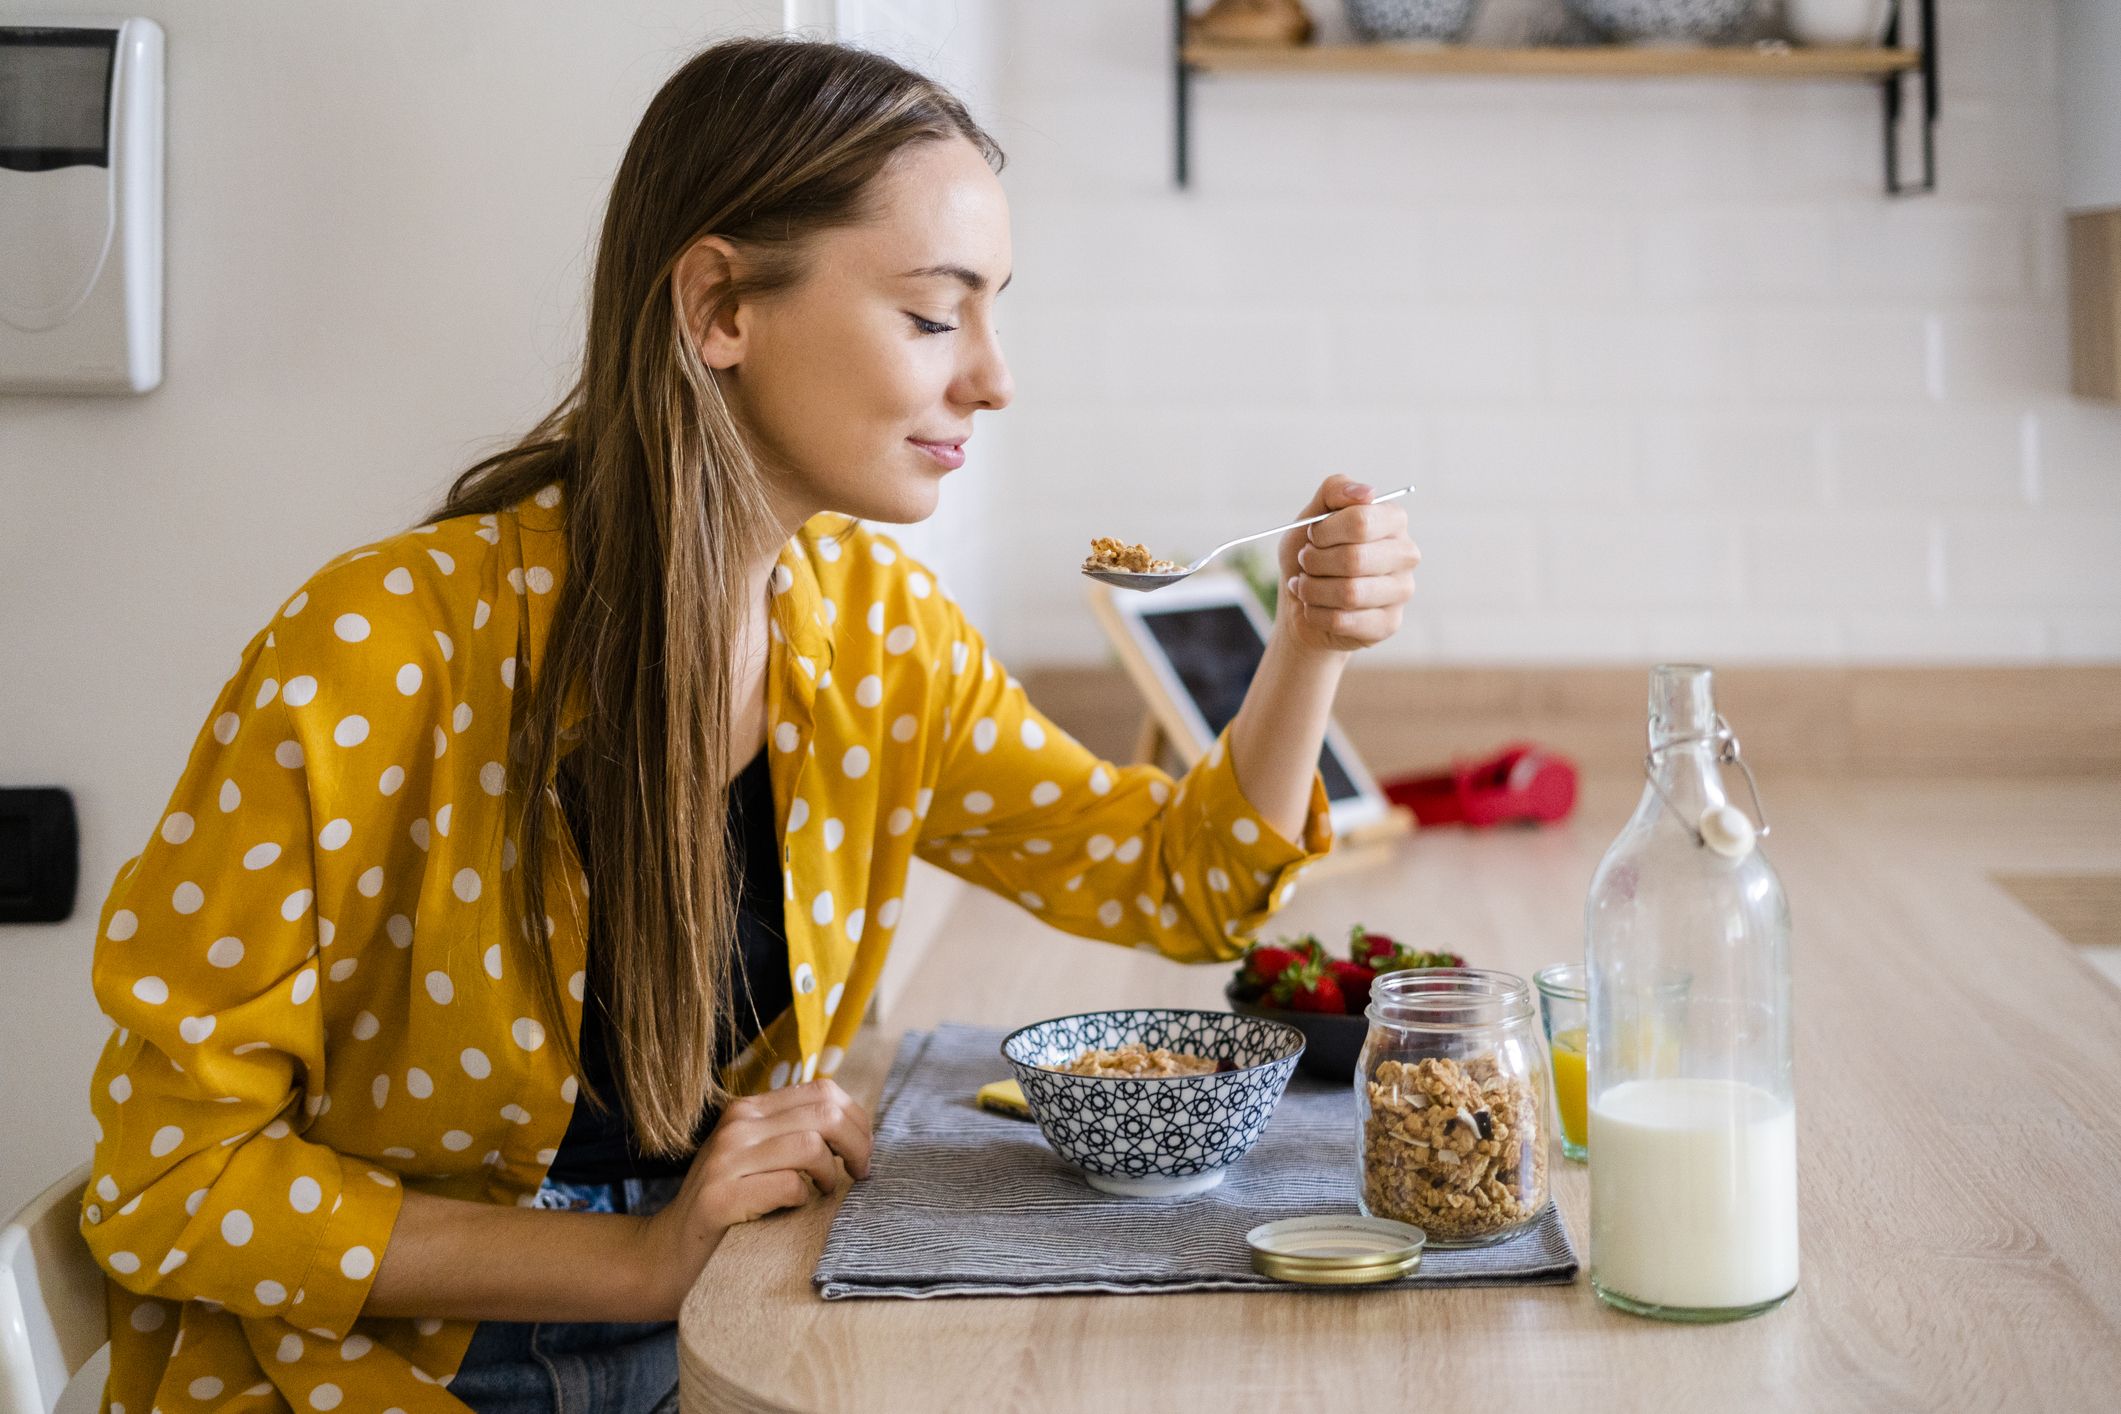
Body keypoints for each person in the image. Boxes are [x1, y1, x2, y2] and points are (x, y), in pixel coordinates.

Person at [77, 34, 1419, 1414]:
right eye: (930, 314)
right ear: (720, 305)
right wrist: (639, 1259)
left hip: (734, 1322)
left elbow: (1174, 883)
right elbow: (172, 1179)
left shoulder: (878, 637)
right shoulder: (375, 651)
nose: (992, 378)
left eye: (992, 310)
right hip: (383, 1368)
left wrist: (1308, 643)